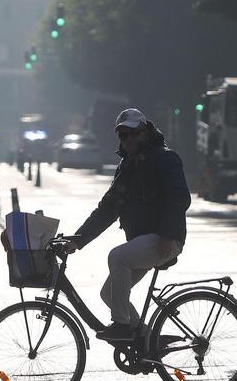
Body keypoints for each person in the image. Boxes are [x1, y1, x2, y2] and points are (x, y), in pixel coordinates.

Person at [66, 109, 191, 342]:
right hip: (143, 242)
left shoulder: (164, 158)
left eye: (134, 133)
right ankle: (145, 338)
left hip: (166, 238)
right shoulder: (127, 167)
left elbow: (180, 198)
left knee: (117, 257)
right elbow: (106, 210)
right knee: (109, 294)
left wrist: (166, 234)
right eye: (123, 135)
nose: (129, 139)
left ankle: (122, 325)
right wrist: (76, 240)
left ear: (145, 131)